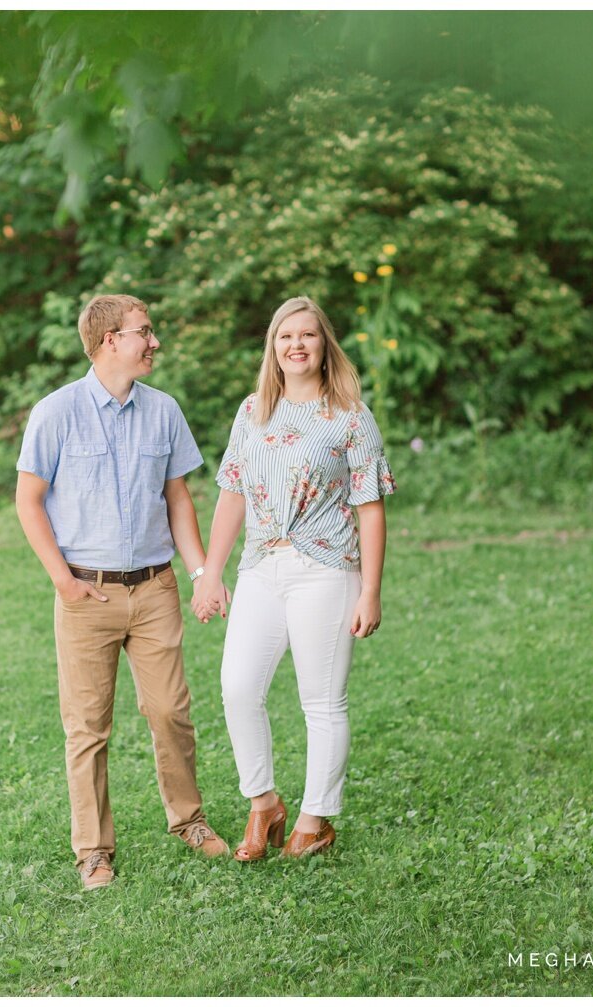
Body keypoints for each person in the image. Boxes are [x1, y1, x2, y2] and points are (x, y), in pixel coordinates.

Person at [15, 293, 230, 891]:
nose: (153, 342)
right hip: (87, 594)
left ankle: (189, 820)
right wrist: (64, 580)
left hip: (156, 588)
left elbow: (178, 498)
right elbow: (28, 501)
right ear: (111, 339)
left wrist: (199, 573)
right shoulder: (55, 413)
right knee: (87, 728)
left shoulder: (164, 411)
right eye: (145, 332)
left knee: (170, 712)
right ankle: (93, 850)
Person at [190, 295, 395, 861]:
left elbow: (370, 506)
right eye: (285, 336)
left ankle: (315, 819)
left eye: (307, 335)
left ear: (324, 345)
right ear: (273, 348)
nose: (296, 345)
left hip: (326, 570)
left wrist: (371, 589)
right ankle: (264, 805)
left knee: (322, 700)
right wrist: (210, 572)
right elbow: (231, 491)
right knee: (237, 687)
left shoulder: (350, 414)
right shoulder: (253, 409)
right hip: (261, 567)